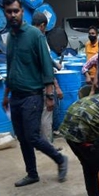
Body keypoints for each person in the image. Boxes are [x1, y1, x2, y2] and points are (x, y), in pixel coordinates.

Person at [0, 0, 68, 187]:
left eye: (16, 11)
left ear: (22, 12)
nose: (13, 15)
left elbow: (46, 65)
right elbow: (10, 68)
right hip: (16, 96)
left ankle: (59, 159)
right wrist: (6, 95)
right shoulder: (11, 38)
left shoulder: (34, 35)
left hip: (32, 95)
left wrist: (49, 94)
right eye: (9, 12)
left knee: (32, 136)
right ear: (5, 13)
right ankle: (32, 173)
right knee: (22, 137)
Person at [31, 11, 64, 145]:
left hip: (31, 84)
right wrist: (54, 88)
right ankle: (47, 145)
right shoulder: (40, 38)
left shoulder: (25, 36)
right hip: (43, 82)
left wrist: (54, 63)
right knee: (46, 113)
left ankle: (37, 141)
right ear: (43, 25)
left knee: (36, 113)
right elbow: (46, 64)